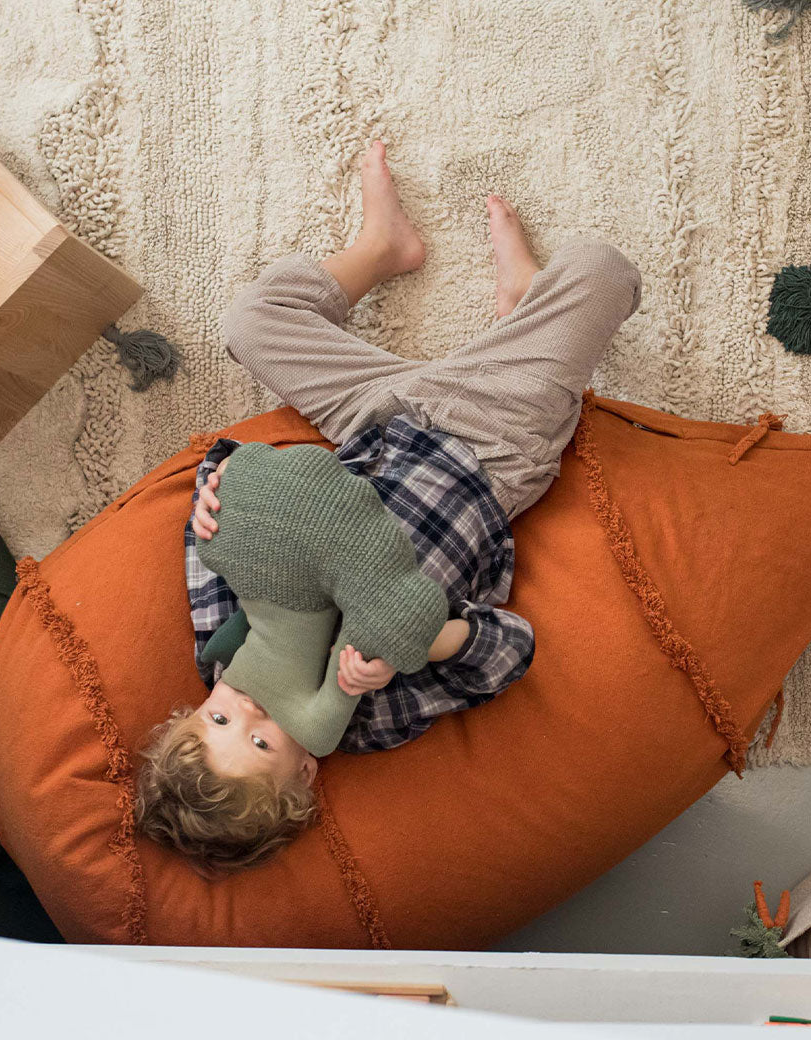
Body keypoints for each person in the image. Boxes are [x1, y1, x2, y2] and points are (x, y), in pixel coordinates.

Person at [133, 140, 642, 875]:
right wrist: (418, 642)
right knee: (600, 269)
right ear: (307, 773)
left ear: (194, 710)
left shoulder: (221, 641)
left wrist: (213, 497)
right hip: (490, 448)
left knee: (251, 320)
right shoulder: (373, 713)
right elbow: (509, 651)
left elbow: (221, 516)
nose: (250, 708)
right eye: (265, 741)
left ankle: (380, 250)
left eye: (219, 718)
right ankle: (524, 309)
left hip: (373, 422)